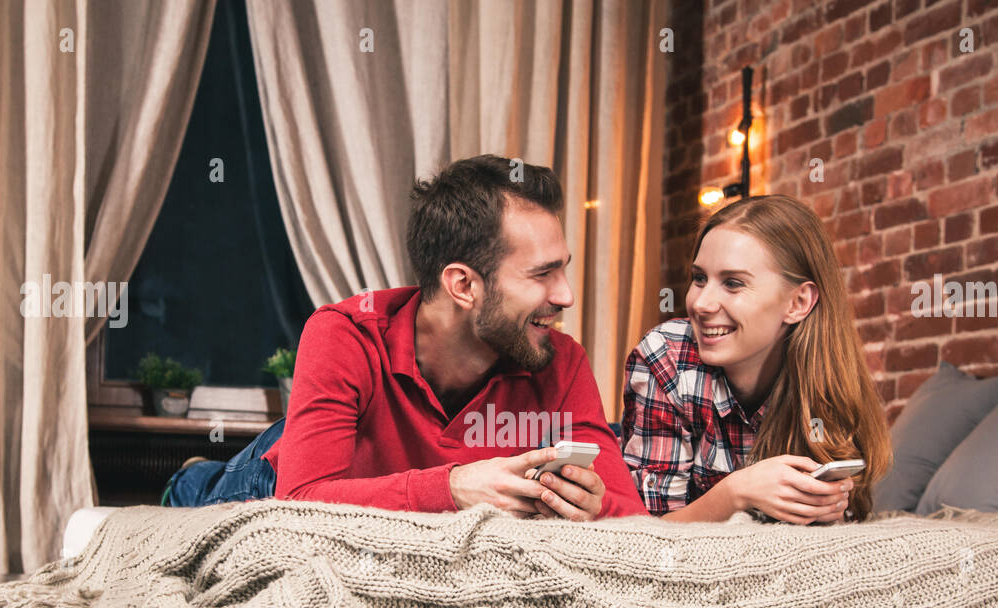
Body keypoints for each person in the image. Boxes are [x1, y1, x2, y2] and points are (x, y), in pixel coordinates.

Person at [165, 154, 647, 520]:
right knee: (205, 495)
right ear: (463, 285)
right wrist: (455, 488)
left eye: (562, 270)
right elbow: (300, 501)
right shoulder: (344, 334)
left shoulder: (559, 360)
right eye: (541, 274)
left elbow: (631, 516)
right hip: (266, 479)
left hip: (375, 488)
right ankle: (193, 473)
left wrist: (593, 504)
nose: (565, 296)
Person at [620, 194, 892, 524]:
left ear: (798, 302)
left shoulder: (826, 377)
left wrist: (827, 508)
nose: (702, 303)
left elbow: (848, 518)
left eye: (733, 283)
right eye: (699, 278)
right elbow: (646, 533)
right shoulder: (665, 358)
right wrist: (736, 493)